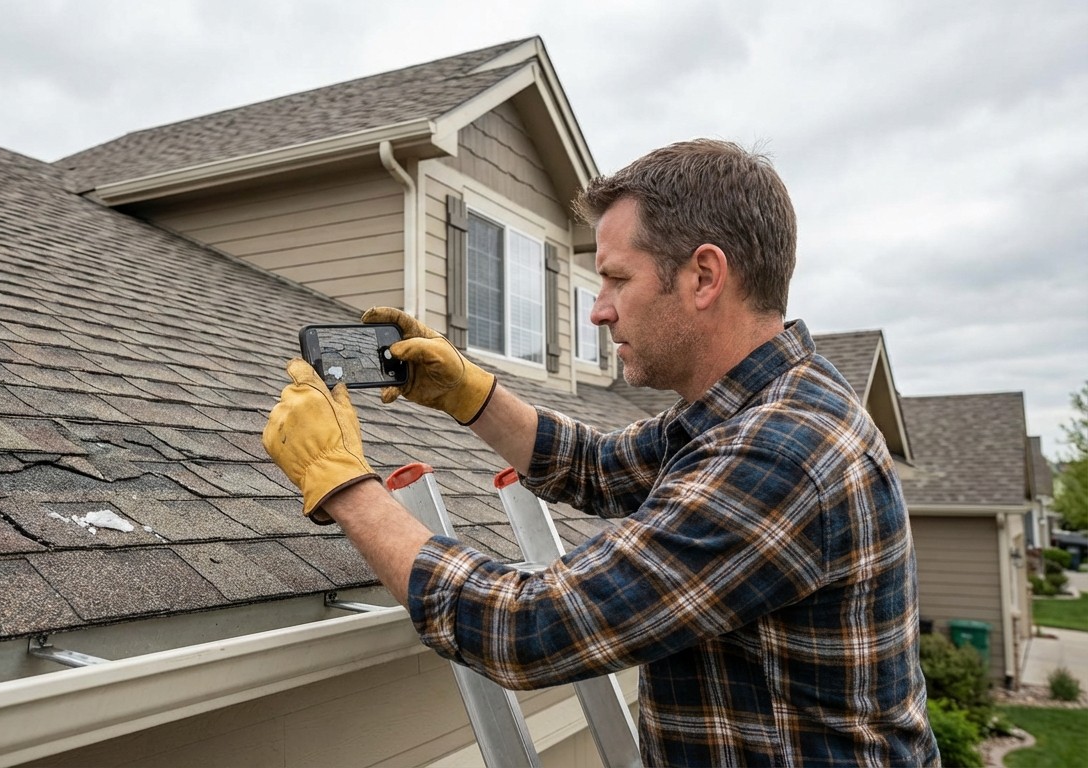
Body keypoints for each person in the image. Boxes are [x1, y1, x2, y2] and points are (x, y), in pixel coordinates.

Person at [262, 139, 938, 767]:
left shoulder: (781, 454)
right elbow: (599, 466)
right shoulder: (751, 408)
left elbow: (528, 628)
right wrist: (468, 392)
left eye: (616, 279)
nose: (598, 310)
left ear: (704, 277)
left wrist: (340, 479)